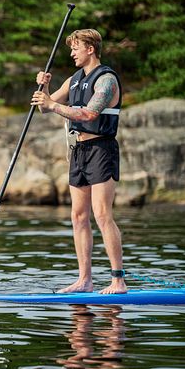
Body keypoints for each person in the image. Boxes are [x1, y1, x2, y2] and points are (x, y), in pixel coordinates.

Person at [30, 29, 127, 295]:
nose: (72, 53)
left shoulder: (106, 80)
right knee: (78, 216)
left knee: (102, 214)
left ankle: (118, 281)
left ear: (90, 49)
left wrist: (51, 104)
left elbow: (88, 113)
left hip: (101, 148)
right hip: (78, 151)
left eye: (76, 48)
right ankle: (85, 279)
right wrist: (45, 88)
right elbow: (44, 106)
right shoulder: (74, 79)